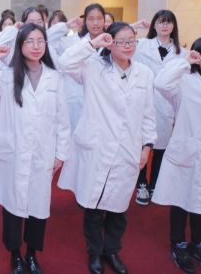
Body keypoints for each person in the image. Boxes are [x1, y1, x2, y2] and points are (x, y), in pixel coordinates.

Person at [57, 22, 157, 274]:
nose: (127, 46)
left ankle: (111, 251)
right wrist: (92, 43)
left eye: (131, 41)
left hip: (128, 149)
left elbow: (148, 113)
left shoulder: (144, 73)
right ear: (110, 43)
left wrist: (146, 147)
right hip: (98, 147)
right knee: (93, 206)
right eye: (121, 41)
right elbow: (66, 62)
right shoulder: (93, 67)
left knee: (119, 207)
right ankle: (94, 252)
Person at [0, 24, 70, 274]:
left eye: (40, 41)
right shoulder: (6, 76)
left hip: (42, 151)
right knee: (12, 204)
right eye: (29, 41)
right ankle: (15, 254)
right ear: (20, 45)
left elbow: (62, 119)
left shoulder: (55, 78)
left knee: (39, 205)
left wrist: (61, 153)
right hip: (13, 152)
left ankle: (32, 254)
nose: (36, 46)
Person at [152, 37, 201, 274]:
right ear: (198, 57)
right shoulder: (184, 83)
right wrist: (185, 61)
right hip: (188, 151)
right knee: (181, 198)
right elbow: (161, 83)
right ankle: (178, 245)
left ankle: (199, 246)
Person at [131, 10, 187, 206]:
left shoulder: (182, 53)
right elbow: (117, 38)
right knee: (141, 145)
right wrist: (134, 26)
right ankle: (141, 184)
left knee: (161, 149)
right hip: (143, 102)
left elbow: (183, 82)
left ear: (174, 26)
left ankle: (155, 183)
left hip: (167, 106)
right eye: (161, 22)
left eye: (168, 22)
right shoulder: (141, 45)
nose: (164, 25)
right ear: (154, 25)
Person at [46, 3, 106, 131]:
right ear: (84, 21)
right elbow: (48, 39)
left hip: (102, 100)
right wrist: (66, 26)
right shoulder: (73, 41)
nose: (95, 23)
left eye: (99, 18)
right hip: (76, 99)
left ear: (104, 20)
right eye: (91, 19)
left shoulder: (111, 41)